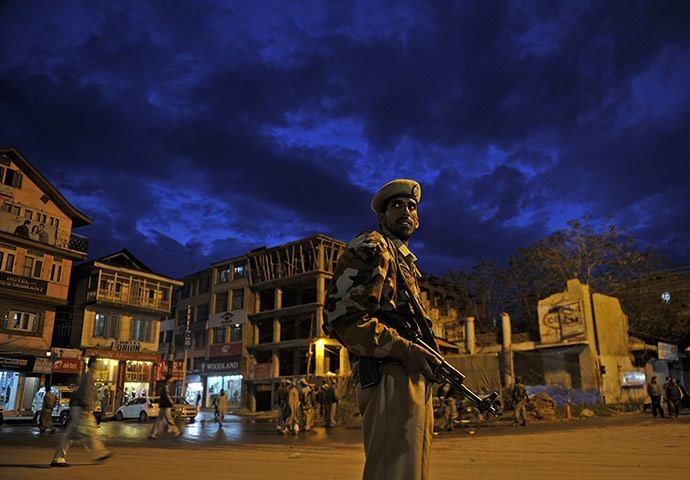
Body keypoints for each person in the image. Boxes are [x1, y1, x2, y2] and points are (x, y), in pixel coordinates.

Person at [323, 179, 440, 480]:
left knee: (409, 471)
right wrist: (404, 349)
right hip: (388, 371)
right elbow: (342, 317)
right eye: (396, 205)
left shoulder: (404, 262)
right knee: (394, 471)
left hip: (407, 373)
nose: (405, 210)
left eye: (412, 206)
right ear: (381, 216)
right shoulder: (373, 246)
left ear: (418, 218)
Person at [51, 357, 112, 467]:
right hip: (81, 408)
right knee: (74, 433)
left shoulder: (89, 375)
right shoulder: (89, 376)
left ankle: (100, 453)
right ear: (93, 364)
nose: (99, 365)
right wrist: (87, 408)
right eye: (97, 363)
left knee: (89, 431)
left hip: (80, 407)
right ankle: (59, 458)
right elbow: (86, 393)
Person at [149, 374, 181, 439]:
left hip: (163, 405)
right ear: (169, 379)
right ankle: (176, 432)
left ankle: (152, 434)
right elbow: (167, 396)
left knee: (159, 420)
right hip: (165, 406)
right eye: (172, 378)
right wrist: (172, 404)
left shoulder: (165, 386)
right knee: (169, 419)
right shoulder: (166, 386)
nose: (173, 379)